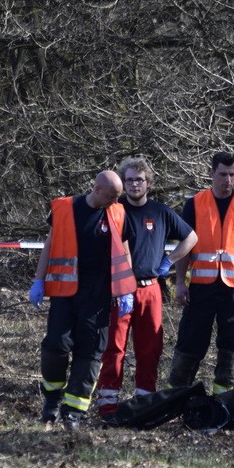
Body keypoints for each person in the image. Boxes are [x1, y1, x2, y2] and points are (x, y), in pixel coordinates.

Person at [28, 170, 137, 428]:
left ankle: (73, 412)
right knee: (56, 345)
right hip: (65, 293)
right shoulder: (65, 208)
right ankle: (52, 401)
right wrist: (38, 280)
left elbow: (124, 251)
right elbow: (50, 244)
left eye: (117, 197)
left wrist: (126, 288)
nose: (114, 202)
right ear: (97, 189)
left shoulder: (118, 213)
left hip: (99, 296)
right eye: (111, 196)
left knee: (90, 354)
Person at [94, 157, 198, 418]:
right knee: (114, 347)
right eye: (128, 180)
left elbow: (191, 237)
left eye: (139, 180)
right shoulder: (114, 210)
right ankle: (108, 404)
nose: (134, 185)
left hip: (150, 288)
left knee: (150, 347)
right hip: (118, 290)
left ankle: (145, 402)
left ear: (148, 183)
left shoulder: (161, 211)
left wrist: (169, 261)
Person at [168, 151, 234, 394]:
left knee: (232, 345)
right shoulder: (195, 203)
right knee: (190, 342)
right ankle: (175, 397)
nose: (228, 180)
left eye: (232, 175)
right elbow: (185, 246)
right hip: (201, 285)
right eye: (223, 174)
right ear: (211, 173)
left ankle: (224, 401)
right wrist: (181, 282)